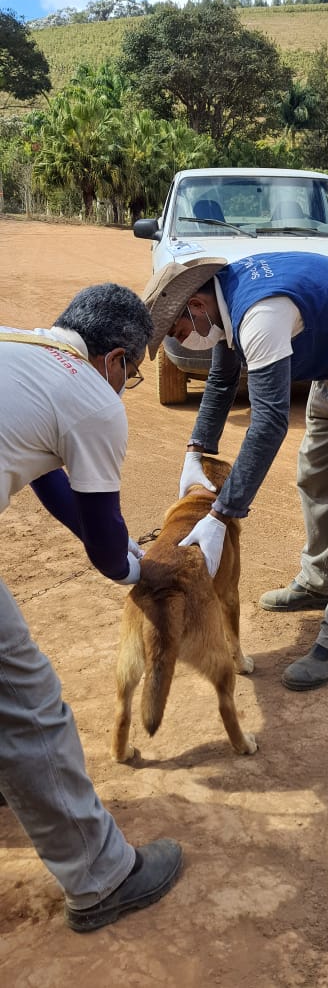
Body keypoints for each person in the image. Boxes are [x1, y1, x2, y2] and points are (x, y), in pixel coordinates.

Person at [142, 251, 328, 692]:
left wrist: (222, 514)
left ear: (196, 306)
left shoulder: (260, 317)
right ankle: (319, 581)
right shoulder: (224, 303)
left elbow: (270, 420)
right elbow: (221, 380)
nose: (182, 342)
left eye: (179, 332)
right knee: (313, 477)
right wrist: (195, 451)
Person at [0, 283, 183, 933]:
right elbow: (108, 549)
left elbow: (48, 477)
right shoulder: (90, 397)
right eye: (130, 376)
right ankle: (102, 878)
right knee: (27, 705)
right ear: (113, 359)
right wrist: (139, 568)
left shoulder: (19, 349)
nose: (125, 386)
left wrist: (108, 543)